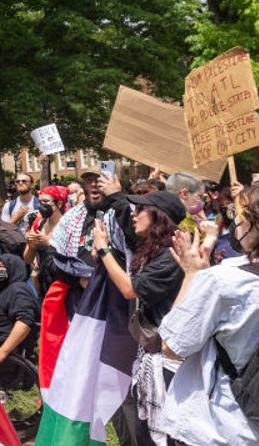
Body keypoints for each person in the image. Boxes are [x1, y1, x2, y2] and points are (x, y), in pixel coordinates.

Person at [155, 182, 259, 446]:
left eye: (237, 215)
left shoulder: (222, 280)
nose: (234, 223)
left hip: (223, 425)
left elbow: (172, 346)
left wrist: (190, 275)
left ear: (254, 225)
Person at [93, 184, 186, 446]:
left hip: (169, 361)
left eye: (141, 209)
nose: (134, 214)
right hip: (151, 356)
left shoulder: (170, 256)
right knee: (146, 431)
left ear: (159, 217)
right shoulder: (154, 250)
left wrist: (103, 250)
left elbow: (129, 289)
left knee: (163, 435)